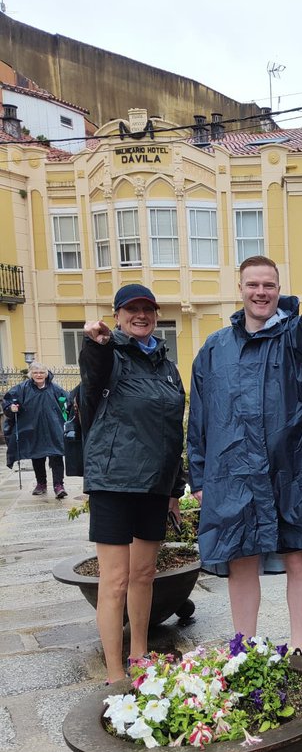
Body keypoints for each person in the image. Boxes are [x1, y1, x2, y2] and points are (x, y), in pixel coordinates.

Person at [188, 255, 302, 654]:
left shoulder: (296, 336)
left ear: (279, 289)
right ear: (240, 289)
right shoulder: (215, 348)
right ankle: (241, 646)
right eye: (253, 285)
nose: (261, 293)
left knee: (298, 557)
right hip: (235, 471)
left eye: (269, 286)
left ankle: (299, 647)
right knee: (241, 559)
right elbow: (201, 416)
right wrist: (200, 477)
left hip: (293, 468)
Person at [79, 284, 185, 684]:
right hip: (114, 483)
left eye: (148, 309)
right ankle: (114, 670)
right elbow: (92, 376)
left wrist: (176, 487)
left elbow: (173, 430)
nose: (141, 315)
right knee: (115, 580)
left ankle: (140, 653)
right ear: (119, 315)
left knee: (144, 575)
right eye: (132, 309)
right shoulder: (111, 355)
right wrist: (97, 344)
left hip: (155, 485)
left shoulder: (166, 366)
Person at [3, 362, 68, 498]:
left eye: (41, 372)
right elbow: (9, 401)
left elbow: (66, 401)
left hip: (53, 428)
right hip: (33, 428)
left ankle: (58, 485)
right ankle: (41, 484)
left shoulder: (55, 389)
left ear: (46, 374)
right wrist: (12, 408)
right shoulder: (22, 389)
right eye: (35, 373)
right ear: (31, 374)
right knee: (37, 456)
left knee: (56, 455)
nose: (39, 375)